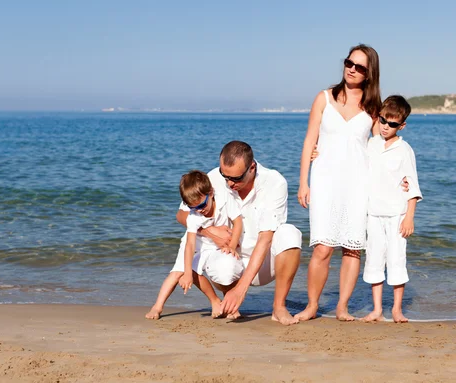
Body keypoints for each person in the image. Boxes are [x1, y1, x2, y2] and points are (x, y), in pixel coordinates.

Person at [296, 44, 382, 321]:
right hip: (324, 180)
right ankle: (312, 306)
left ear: (369, 74)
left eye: (359, 67)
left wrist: (401, 180)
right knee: (322, 247)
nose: (351, 69)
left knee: (352, 248)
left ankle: (342, 307)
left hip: (359, 183)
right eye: (349, 62)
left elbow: (382, 147)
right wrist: (303, 182)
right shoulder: (323, 98)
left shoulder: (372, 108)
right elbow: (310, 140)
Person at [176, 141, 303, 325]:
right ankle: (229, 300)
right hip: (230, 258)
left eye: (235, 179)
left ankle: (279, 307)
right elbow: (181, 214)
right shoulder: (213, 179)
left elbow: (266, 239)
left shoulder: (275, 182)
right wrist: (209, 231)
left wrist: (242, 289)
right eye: (224, 176)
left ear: (252, 168)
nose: (229, 183)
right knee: (222, 267)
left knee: (290, 234)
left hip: (264, 263)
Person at [145, 170, 243, 320]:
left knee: (225, 265)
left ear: (210, 192)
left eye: (202, 205)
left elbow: (238, 222)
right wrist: (188, 273)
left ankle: (229, 307)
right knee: (179, 272)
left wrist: (232, 245)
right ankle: (158, 307)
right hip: (197, 242)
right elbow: (190, 244)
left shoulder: (224, 199)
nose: (200, 210)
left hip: (215, 245)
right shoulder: (194, 216)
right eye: (194, 208)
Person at [362, 95, 422, 323]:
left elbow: (412, 185)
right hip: (373, 214)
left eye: (393, 124)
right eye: (383, 121)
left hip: (396, 215)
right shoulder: (371, 144)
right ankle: (377, 309)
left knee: (396, 260)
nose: (386, 126)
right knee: (374, 260)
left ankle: (397, 309)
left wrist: (409, 218)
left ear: (401, 125)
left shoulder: (404, 150)